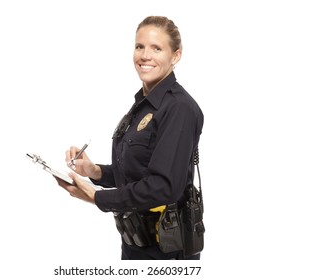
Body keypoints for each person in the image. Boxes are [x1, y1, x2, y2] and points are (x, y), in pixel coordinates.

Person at [54, 16, 204, 260]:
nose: (145, 56)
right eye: (139, 46)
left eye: (157, 48)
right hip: (135, 242)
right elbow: (138, 173)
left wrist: (96, 196)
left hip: (165, 250)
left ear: (176, 56)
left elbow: (163, 187)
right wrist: (95, 172)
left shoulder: (180, 108)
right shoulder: (143, 106)